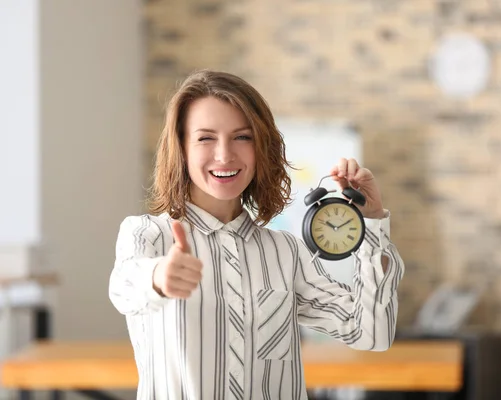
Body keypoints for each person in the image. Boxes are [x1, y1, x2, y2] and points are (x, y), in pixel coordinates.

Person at [108, 69, 404, 400]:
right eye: (206, 138)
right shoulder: (147, 234)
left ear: (261, 148)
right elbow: (124, 289)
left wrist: (373, 221)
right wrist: (159, 276)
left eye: (242, 137)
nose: (224, 155)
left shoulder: (285, 252)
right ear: (181, 148)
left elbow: (371, 332)